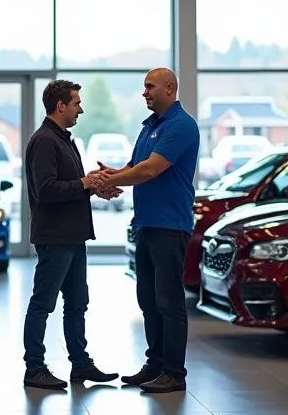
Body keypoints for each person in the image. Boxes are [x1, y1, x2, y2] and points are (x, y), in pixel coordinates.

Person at [97, 67, 200, 394]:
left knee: (169, 301)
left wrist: (110, 181)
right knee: (148, 299)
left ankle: (174, 372)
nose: (144, 92)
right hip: (146, 224)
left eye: (150, 86)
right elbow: (135, 166)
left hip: (170, 226)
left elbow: (152, 169)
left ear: (170, 89)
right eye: (144, 86)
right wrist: (113, 174)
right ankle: (155, 363)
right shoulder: (150, 126)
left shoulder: (181, 125)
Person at [22, 79, 123, 392]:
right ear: (60, 105)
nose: (81, 108)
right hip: (55, 238)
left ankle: (80, 363)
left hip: (73, 236)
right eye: (76, 103)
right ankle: (34, 368)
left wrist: (94, 189)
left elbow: (71, 186)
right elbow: (47, 190)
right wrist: (85, 183)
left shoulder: (64, 140)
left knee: (78, 302)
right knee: (43, 303)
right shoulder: (44, 141)